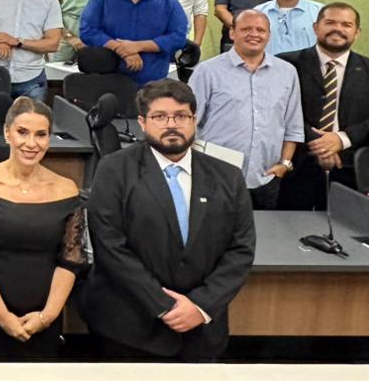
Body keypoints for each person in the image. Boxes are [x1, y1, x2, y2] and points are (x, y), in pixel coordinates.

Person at [82, 80, 255, 362]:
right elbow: (110, 246)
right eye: (160, 117)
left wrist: (199, 307)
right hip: (129, 329)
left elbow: (241, 250)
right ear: (142, 121)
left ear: (194, 120)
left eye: (181, 116)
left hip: (201, 331)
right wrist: (165, 306)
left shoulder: (228, 176)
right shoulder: (114, 169)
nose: (171, 124)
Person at [0, 97, 87, 359]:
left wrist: (47, 316)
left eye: (41, 134)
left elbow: (69, 259)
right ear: (7, 133)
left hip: (43, 315)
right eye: (22, 132)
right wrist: (3, 316)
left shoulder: (66, 189)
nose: (31, 143)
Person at [188, 10, 303, 210]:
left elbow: (293, 125)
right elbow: (188, 122)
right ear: (232, 33)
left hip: (266, 179)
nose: (254, 34)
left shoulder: (287, 72)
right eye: (246, 29)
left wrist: (285, 164)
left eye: (260, 30)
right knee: (214, 237)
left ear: (268, 35)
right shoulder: (207, 71)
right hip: (216, 177)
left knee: (265, 237)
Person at [278, 3, 369, 209]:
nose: (338, 29)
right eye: (330, 22)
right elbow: (278, 111)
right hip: (295, 165)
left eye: (346, 24)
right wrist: (321, 144)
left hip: (351, 170)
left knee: (346, 235)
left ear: (357, 32)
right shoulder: (286, 65)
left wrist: (341, 140)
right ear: (316, 27)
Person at [80, 0, 188, 85]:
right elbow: (88, 31)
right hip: (107, 83)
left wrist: (138, 46)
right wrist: (122, 49)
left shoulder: (169, 2)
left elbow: (178, 37)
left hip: (153, 85)